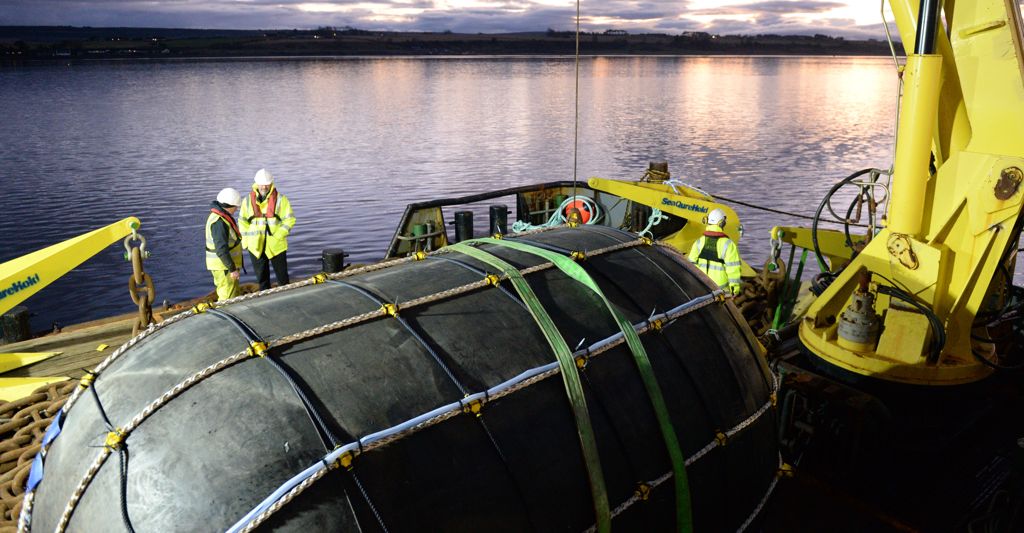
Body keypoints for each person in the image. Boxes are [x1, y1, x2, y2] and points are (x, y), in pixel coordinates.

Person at [240, 168, 296, 290]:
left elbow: (289, 219)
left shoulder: (281, 200)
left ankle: (287, 297)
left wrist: (279, 235)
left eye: (267, 184)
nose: (264, 187)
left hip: (276, 244)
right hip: (255, 245)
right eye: (262, 184)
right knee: (262, 279)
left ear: (271, 183)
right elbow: (242, 222)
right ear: (256, 184)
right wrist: (246, 242)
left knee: (283, 278)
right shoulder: (247, 201)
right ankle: (265, 300)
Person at [687, 208, 743, 295]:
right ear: (721, 223)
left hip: (702, 288)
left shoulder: (699, 242)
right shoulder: (728, 244)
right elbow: (733, 270)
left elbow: (691, 265)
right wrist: (734, 290)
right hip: (721, 291)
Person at [205, 188, 243, 301]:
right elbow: (221, 249)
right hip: (224, 267)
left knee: (231, 293)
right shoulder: (219, 222)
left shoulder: (218, 216)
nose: (236, 209)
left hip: (223, 266)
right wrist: (232, 269)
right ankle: (226, 317)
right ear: (229, 206)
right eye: (236, 207)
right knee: (227, 297)